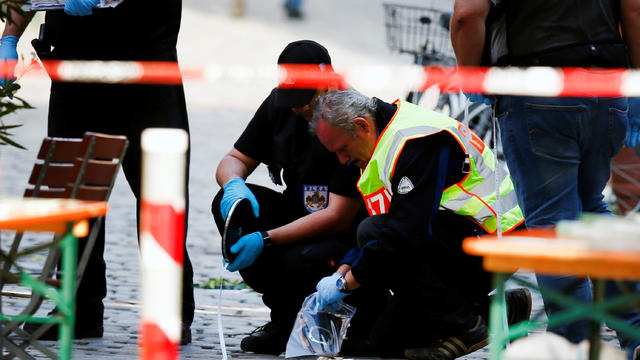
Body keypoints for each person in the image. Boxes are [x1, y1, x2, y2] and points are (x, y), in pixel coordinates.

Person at [450, 0, 640, 358]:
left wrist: (471, 75)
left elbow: (466, 15)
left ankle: (575, 344)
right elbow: (634, 10)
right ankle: (635, 329)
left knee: (553, 224)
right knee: (590, 208)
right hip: (607, 90)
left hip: (538, 90)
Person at [0, 0, 195, 344]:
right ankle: (76, 309)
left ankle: (169, 312)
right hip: (76, 67)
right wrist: (9, 39)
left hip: (145, 65)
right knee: (75, 191)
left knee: (159, 192)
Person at [310, 89, 529, 360]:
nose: (342, 161)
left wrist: (348, 283)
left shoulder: (415, 141)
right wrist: (343, 270)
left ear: (362, 126)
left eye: (342, 149)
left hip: (495, 242)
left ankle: (467, 326)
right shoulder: (381, 139)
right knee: (386, 340)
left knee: (373, 231)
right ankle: (502, 309)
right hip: (455, 240)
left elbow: (404, 233)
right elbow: (392, 225)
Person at [211, 40, 371, 356]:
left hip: (343, 233)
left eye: (306, 100)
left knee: (298, 258)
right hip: (296, 210)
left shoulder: (352, 117)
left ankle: (345, 319)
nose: (298, 108)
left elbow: (337, 216)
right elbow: (235, 158)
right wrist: (233, 185)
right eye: (292, 98)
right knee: (229, 208)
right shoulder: (281, 105)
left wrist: (267, 239)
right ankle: (283, 319)